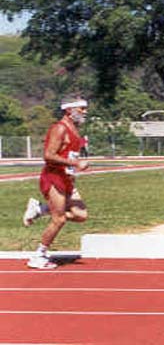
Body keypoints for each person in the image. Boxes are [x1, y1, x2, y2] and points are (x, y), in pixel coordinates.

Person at [22, 94, 90, 269]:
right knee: (58, 219)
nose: (85, 112)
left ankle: (41, 209)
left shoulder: (74, 129)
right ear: (69, 110)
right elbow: (48, 155)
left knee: (80, 215)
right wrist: (75, 163)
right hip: (54, 178)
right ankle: (38, 255)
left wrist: (74, 168)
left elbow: (67, 153)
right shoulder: (59, 128)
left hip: (67, 178)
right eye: (81, 108)